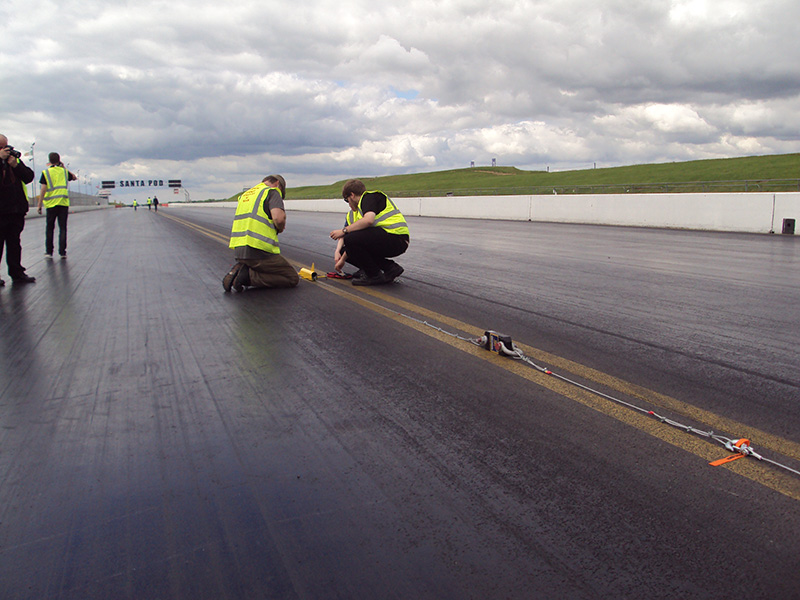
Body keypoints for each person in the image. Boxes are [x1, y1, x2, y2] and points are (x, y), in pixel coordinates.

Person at [222, 174, 299, 292]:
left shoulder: (246, 195)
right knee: (291, 277)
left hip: (239, 250)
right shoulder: (272, 191)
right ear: (278, 184)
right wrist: (280, 227)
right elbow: (279, 219)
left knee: (268, 268)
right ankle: (247, 276)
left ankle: (244, 268)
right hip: (259, 251)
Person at [329, 179, 409, 286]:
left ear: (352, 195)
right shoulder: (353, 214)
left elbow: (368, 220)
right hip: (383, 239)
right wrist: (338, 253)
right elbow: (345, 236)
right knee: (347, 249)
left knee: (351, 240)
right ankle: (389, 268)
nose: (348, 204)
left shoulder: (369, 198)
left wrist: (344, 231)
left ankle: (374, 275)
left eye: (347, 200)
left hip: (397, 238)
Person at [0, 134, 36, 285]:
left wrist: (16, 165)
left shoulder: (13, 160)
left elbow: (29, 177)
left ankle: (17, 273)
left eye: (6, 146)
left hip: (16, 209)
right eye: (2, 147)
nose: (5, 149)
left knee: (15, 243)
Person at [37, 152, 76, 259]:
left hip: (51, 204)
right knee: (63, 228)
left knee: (50, 228)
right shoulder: (64, 172)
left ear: (49, 160)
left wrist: (39, 204)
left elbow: (43, 189)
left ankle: (49, 252)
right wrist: (64, 167)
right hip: (63, 203)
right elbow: (74, 177)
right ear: (59, 160)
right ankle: (62, 252)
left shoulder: (46, 172)